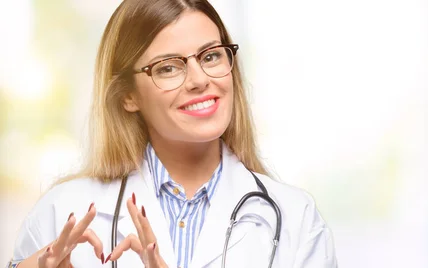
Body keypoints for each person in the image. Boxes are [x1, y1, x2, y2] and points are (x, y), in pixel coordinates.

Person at [6, 0, 337, 267]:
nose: (199, 79)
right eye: (168, 67)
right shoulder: (61, 211)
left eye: (210, 56)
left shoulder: (296, 219)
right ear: (128, 95)